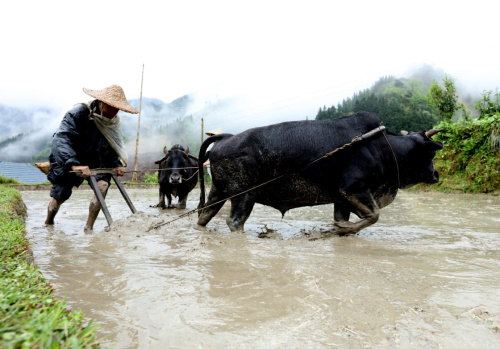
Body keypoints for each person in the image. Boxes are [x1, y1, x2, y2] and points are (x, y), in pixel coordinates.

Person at [44, 84, 138, 232]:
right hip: (69, 158)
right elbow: (62, 139)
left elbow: (111, 144)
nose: (113, 112)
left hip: (96, 160)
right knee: (60, 195)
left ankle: (89, 228)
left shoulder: (113, 121)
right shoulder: (78, 113)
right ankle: (49, 222)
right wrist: (74, 164)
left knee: (103, 186)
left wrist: (116, 163)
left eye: (117, 109)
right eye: (110, 107)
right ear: (100, 102)